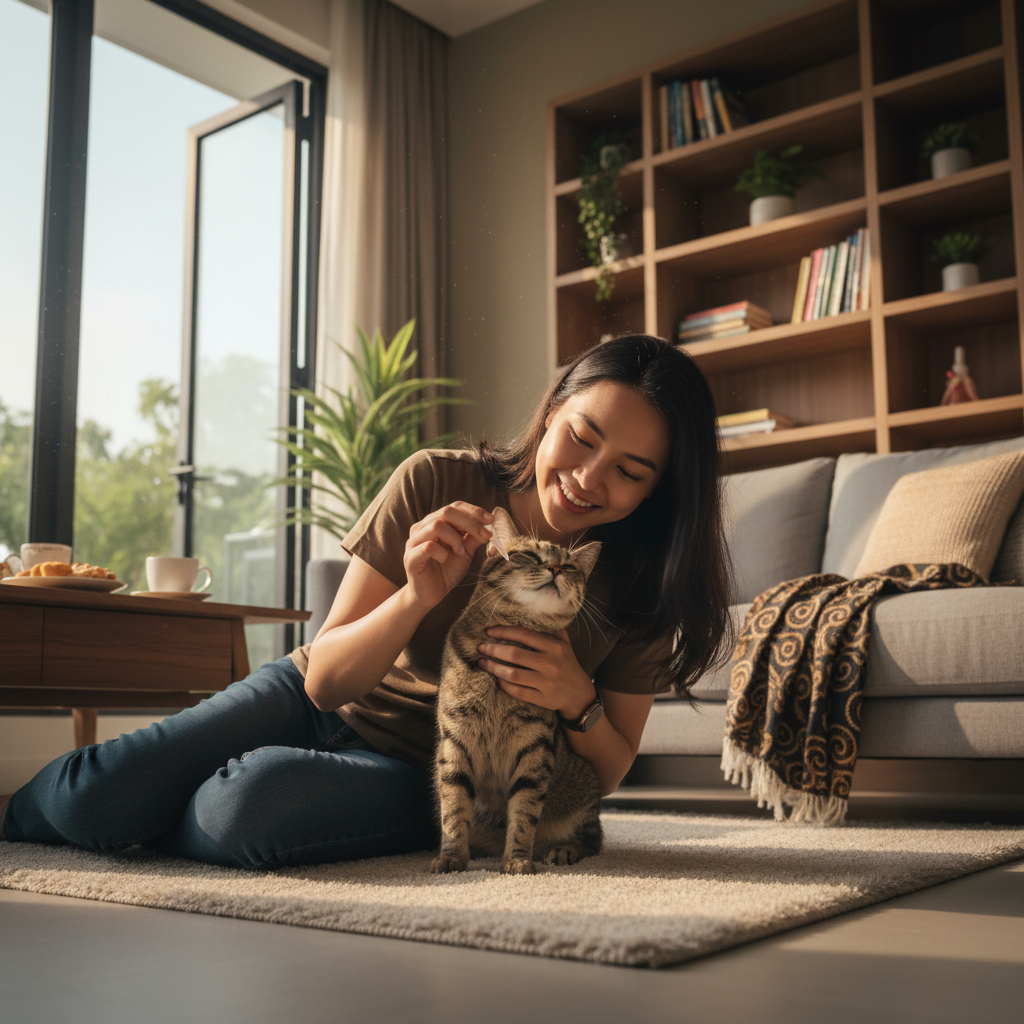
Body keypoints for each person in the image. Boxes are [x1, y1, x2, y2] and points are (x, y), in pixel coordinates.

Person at [0, 335, 732, 869]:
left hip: (428, 771)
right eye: (582, 437)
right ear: (552, 413)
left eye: (630, 472)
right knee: (94, 798)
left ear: (656, 491)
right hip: (311, 698)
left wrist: (578, 699)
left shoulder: (639, 584)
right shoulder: (437, 482)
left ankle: (157, 815)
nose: (587, 479)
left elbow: (603, 774)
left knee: (246, 808)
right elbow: (324, 679)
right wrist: (415, 595)